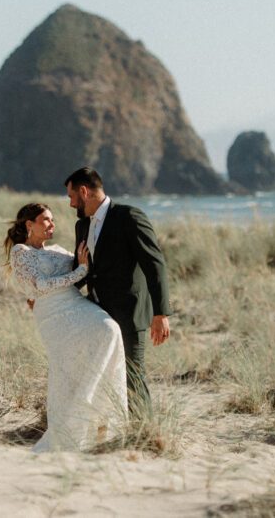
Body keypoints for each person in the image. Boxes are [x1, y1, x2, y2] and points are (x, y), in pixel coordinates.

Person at [5, 202, 127, 453]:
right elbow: (38, 287)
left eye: (53, 220)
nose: (52, 224)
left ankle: (101, 421)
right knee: (67, 368)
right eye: (46, 220)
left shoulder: (59, 250)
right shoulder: (20, 251)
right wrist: (79, 271)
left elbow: (87, 266)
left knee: (110, 331)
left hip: (76, 304)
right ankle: (70, 431)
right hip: (52, 314)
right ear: (30, 225)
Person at [65, 167, 171, 414]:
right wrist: (47, 295)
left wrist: (160, 313)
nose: (71, 204)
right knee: (104, 374)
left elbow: (154, 263)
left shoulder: (129, 217)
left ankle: (144, 432)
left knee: (132, 374)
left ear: (84, 191)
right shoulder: (82, 227)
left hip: (129, 313)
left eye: (72, 197)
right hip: (97, 315)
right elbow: (80, 272)